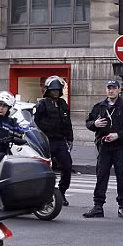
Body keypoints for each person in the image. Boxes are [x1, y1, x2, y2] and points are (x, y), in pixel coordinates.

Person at [83, 79, 123, 219]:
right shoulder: (99, 107)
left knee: (121, 177)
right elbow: (88, 123)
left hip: (120, 148)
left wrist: (118, 135)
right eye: (109, 88)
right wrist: (94, 123)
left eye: (114, 88)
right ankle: (98, 207)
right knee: (101, 177)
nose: (111, 90)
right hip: (104, 147)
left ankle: (122, 207)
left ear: (119, 90)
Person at [33, 75, 74, 206]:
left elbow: (68, 123)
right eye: (53, 90)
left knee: (67, 166)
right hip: (46, 141)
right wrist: (38, 140)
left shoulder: (63, 104)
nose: (55, 92)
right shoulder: (42, 104)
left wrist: (70, 139)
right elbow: (35, 124)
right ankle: (47, 194)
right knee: (47, 170)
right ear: (48, 91)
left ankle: (61, 193)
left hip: (60, 141)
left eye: (57, 90)